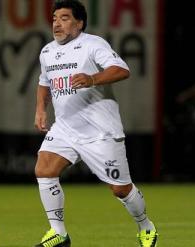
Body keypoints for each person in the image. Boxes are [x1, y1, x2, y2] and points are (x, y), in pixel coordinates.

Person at [33, 1, 158, 246]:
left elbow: (121, 69)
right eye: (55, 18)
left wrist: (92, 78)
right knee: (44, 170)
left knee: (120, 189)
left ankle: (146, 226)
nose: (57, 23)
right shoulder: (47, 51)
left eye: (65, 18)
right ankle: (59, 233)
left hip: (100, 132)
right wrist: (40, 109)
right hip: (66, 128)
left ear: (79, 23)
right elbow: (44, 82)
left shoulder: (93, 44)